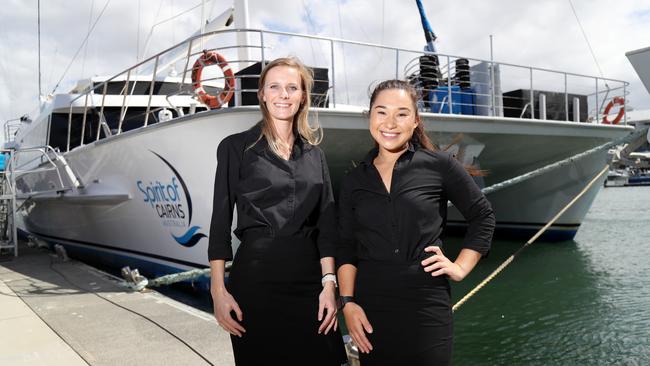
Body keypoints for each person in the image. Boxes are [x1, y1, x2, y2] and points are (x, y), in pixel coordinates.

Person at [336, 79, 495, 366]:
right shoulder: (354, 180)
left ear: (415, 121)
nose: (390, 122)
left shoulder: (439, 165)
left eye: (402, 113)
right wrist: (347, 303)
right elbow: (346, 246)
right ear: (370, 117)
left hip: (426, 304)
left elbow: (482, 216)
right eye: (381, 112)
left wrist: (459, 267)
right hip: (371, 306)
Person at [208, 57, 347, 365]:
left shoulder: (315, 156)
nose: (283, 94)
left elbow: (327, 224)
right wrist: (218, 290)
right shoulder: (235, 148)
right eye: (275, 86)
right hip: (256, 282)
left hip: (311, 281)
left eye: (292, 88)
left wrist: (329, 283)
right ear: (262, 94)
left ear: (302, 97)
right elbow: (220, 221)